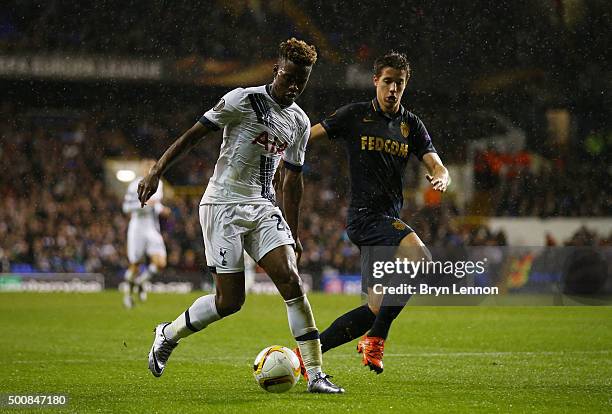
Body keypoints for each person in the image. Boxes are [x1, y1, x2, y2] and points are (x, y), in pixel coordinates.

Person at [138, 38, 344, 393]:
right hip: (222, 205)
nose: (294, 86)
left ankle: (316, 373)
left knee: (293, 282)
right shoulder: (243, 100)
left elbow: (292, 180)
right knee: (230, 301)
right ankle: (168, 334)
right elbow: (193, 135)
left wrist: (292, 234)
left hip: (263, 208)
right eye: (289, 77)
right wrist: (157, 170)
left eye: (302, 82)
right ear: (276, 70)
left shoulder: (299, 121)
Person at [297, 51, 450, 376]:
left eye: (400, 83)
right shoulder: (355, 115)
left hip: (385, 221)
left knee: (375, 308)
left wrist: (441, 175)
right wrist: (279, 148)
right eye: (388, 81)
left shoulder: (411, 124)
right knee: (422, 259)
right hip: (366, 217)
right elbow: (309, 135)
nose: (393, 89)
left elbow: (435, 162)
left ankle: (306, 356)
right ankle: (376, 340)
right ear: (375, 82)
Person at [122, 159, 170, 308]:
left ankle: (141, 281)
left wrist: (161, 209)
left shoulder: (159, 184)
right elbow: (126, 208)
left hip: (151, 227)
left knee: (161, 263)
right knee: (135, 265)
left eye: (153, 168)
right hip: (137, 227)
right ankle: (128, 296)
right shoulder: (133, 185)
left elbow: (156, 203)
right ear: (142, 170)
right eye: (147, 168)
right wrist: (143, 204)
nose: (150, 171)